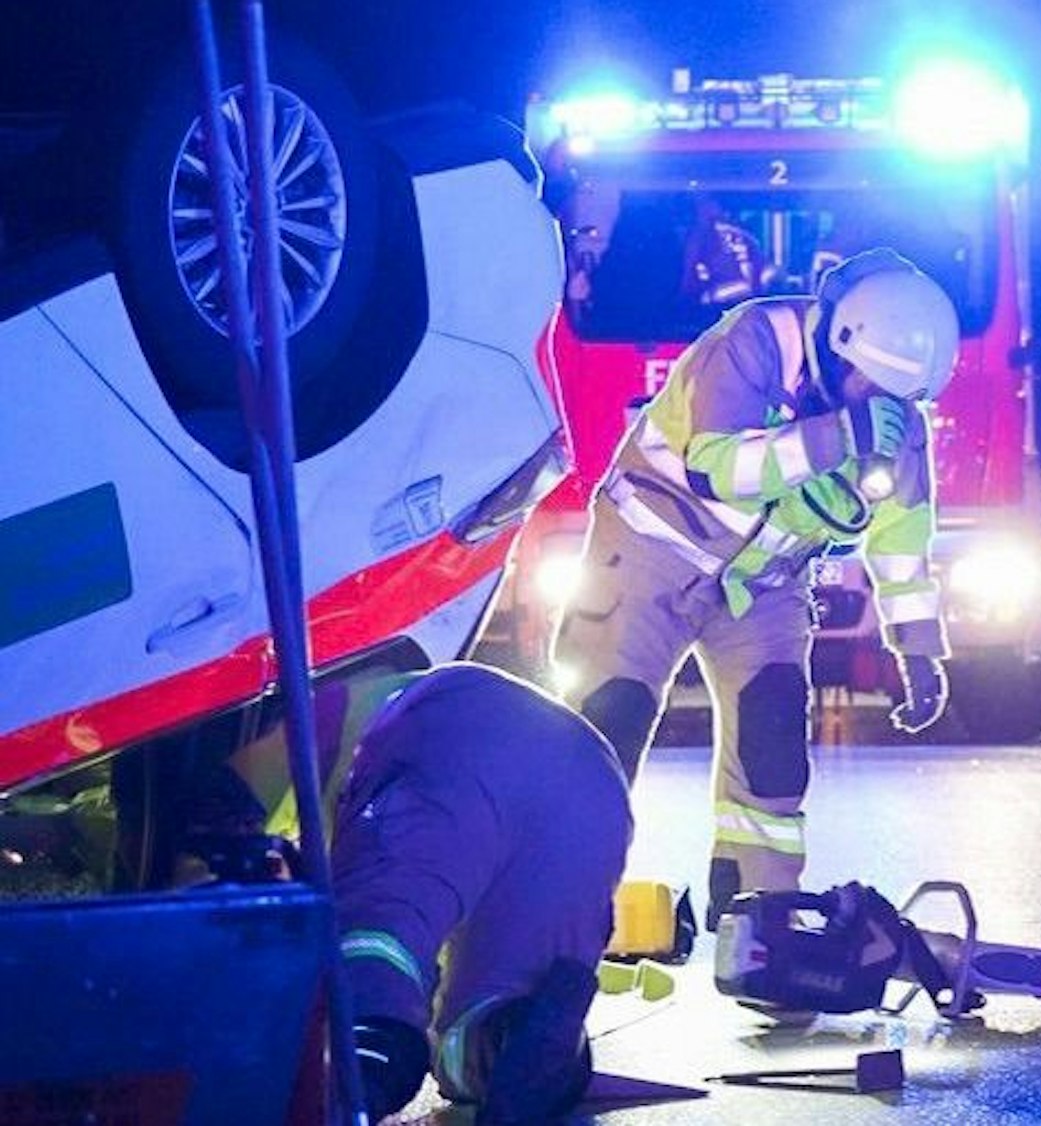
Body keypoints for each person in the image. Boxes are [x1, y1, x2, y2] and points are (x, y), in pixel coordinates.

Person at [554, 246, 956, 929]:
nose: (884, 405)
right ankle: (554, 899)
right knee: (607, 720)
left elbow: (900, 543)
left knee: (773, 741)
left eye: (902, 395)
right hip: (651, 552)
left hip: (765, 586)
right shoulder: (756, 342)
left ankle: (760, 916)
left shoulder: (897, 426)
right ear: (839, 342)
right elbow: (717, 468)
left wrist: (917, 650)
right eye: (872, 383)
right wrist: (837, 436)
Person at [193, 662, 632, 1123]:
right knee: (490, 1032)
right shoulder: (358, 694)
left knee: (380, 933)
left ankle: (366, 1055)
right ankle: (523, 1045)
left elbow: (215, 826)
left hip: (454, 742)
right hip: (595, 785)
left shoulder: (309, 720)